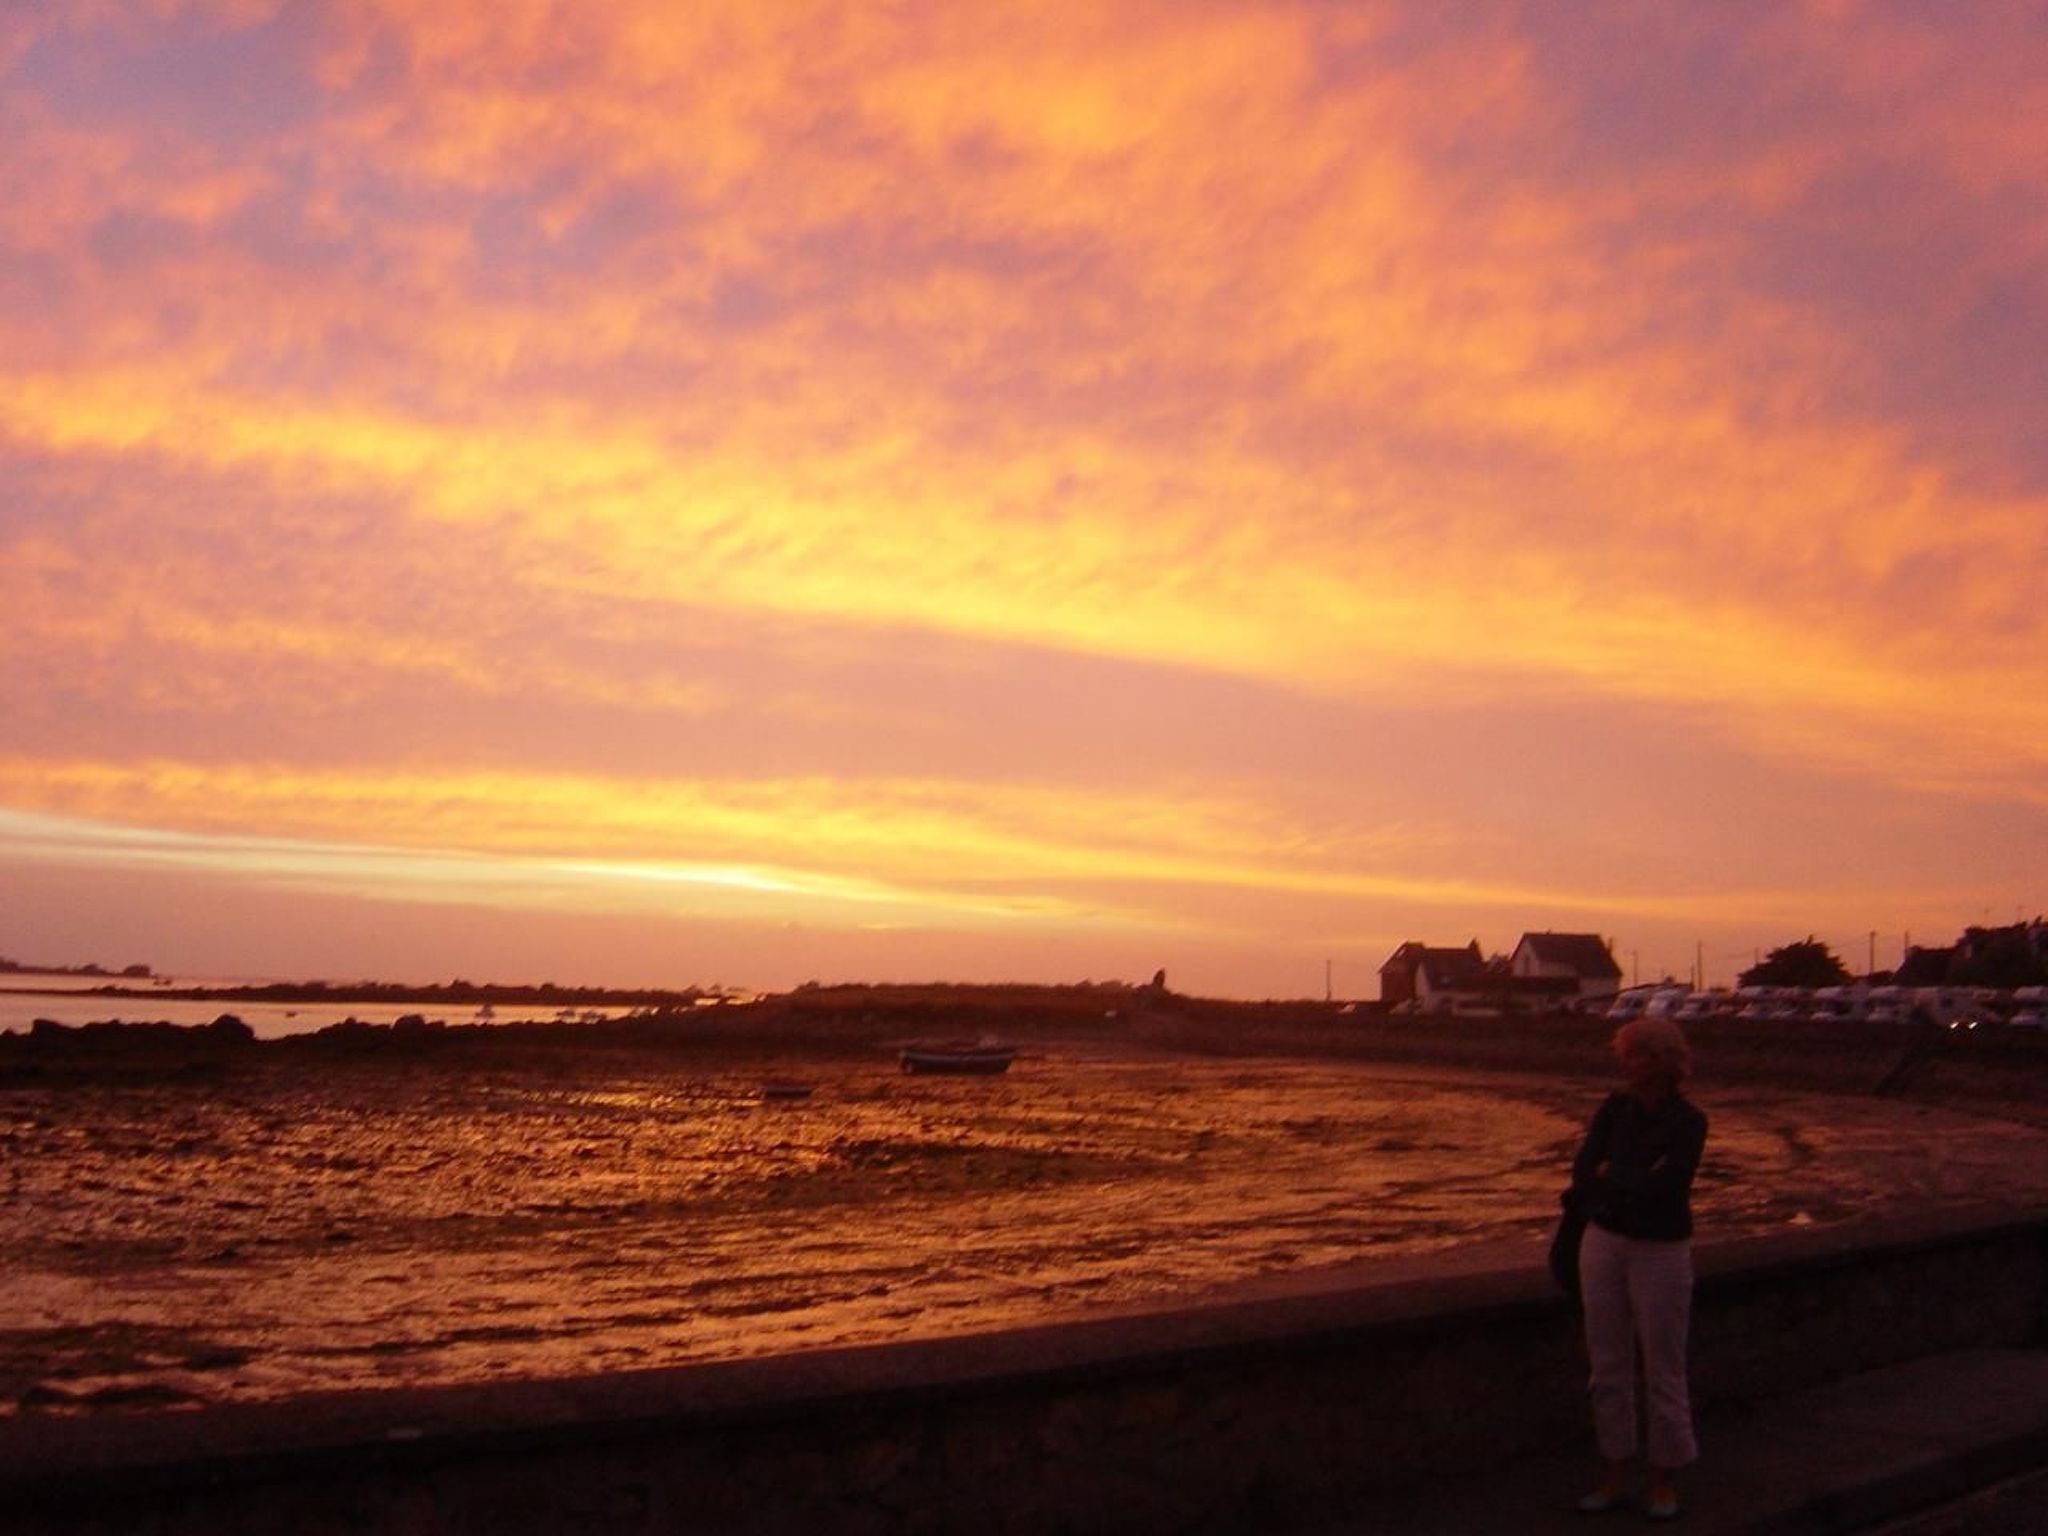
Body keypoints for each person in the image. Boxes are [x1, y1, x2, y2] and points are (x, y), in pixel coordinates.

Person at [1569, 1015, 1708, 1521]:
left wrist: (1614, 1175)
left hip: (1661, 1250)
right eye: (1624, 1055)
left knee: (1663, 1367)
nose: (1626, 1065)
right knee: (1607, 1365)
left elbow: (1669, 1186)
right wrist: (1627, 1178)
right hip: (1603, 1241)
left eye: (1637, 1055)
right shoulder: (1614, 1109)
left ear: (1663, 1062)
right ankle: (1614, 1472)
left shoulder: (1688, 1122)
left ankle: (1664, 1479)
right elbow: (1585, 1171)